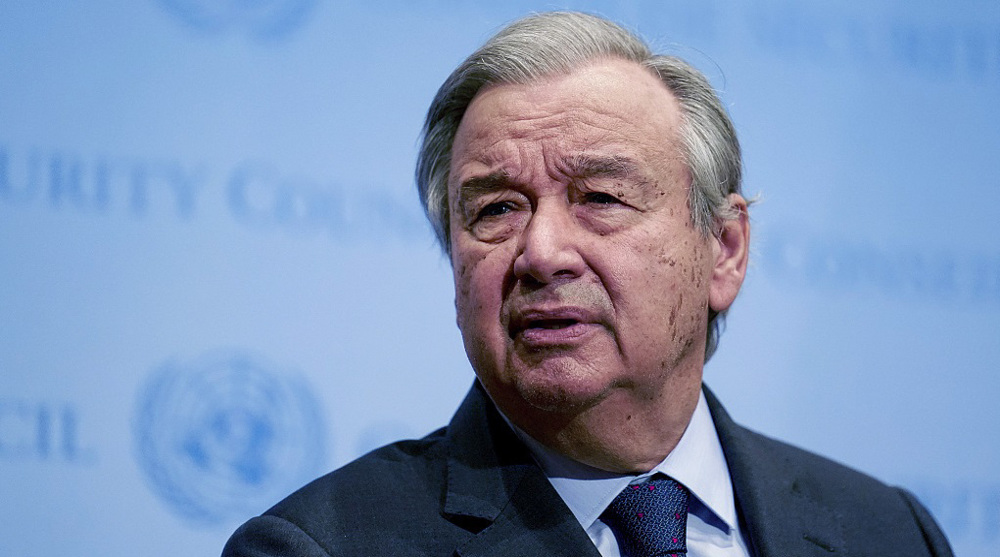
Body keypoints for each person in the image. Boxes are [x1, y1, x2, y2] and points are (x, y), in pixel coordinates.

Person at [223, 11, 952, 557]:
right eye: (496, 209)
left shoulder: (888, 530)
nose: (541, 253)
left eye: (601, 198)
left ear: (724, 251)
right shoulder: (320, 545)